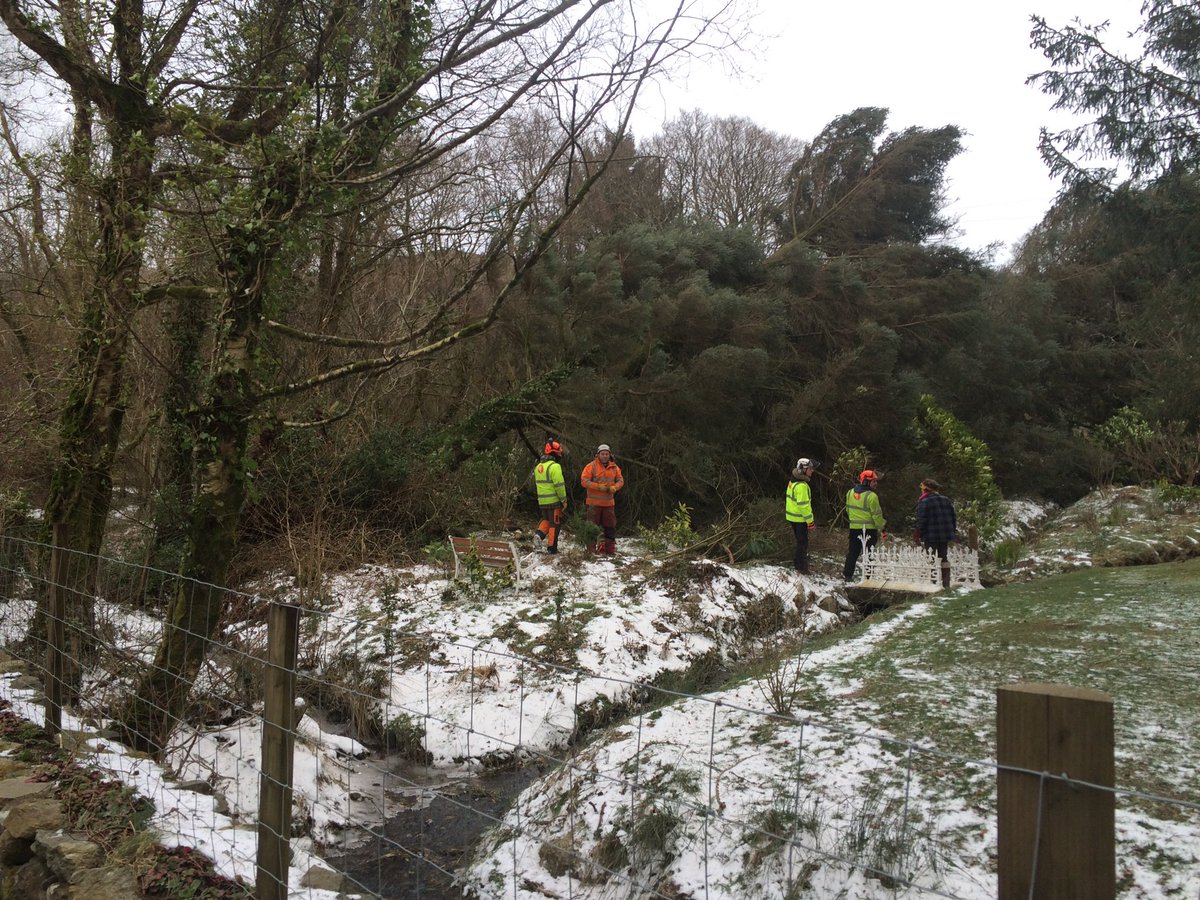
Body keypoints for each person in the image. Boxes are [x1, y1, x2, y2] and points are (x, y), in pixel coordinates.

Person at [843, 469, 886, 581]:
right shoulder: (872, 496)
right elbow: (877, 516)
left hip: (854, 529)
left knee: (852, 553)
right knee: (869, 554)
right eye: (874, 481)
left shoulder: (850, 493)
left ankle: (847, 576)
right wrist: (882, 529)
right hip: (869, 530)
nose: (876, 483)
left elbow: (848, 510)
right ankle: (868, 577)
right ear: (867, 481)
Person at [581, 443, 624, 555]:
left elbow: (621, 480)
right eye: (603, 454)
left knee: (610, 528)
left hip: (609, 504)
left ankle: (609, 551)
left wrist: (615, 487)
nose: (605, 456)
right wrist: (598, 486)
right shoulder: (591, 466)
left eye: (606, 454)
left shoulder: (615, 468)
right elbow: (584, 481)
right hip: (593, 504)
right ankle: (591, 551)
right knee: (592, 528)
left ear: (610, 455)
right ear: (598, 455)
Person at [914, 478, 957, 587]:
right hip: (945, 534)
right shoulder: (946, 500)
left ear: (925, 489)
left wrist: (918, 533)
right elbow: (953, 517)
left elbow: (921, 520)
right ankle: (946, 582)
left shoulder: (924, 501)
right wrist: (952, 531)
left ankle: (934, 582)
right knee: (943, 557)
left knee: (931, 558)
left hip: (931, 535)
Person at [533, 440, 568, 554]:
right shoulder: (555, 466)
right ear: (555, 453)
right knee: (555, 524)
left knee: (547, 520)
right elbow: (559, 485)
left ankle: (538, 535)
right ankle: (552, 548)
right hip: (554, 501)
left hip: (542, 501)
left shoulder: (538, 467)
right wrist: (563, 499)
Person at [785, 458, 819, 574]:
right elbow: (804, 506)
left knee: (801, 542)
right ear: (803, 469)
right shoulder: (801, 486)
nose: (812, 470)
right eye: (810, 468)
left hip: (792, 517)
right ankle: (801, 567)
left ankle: (799, 564)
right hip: (800, 519)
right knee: (803, 543)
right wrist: (810, 522)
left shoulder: (792, 481)